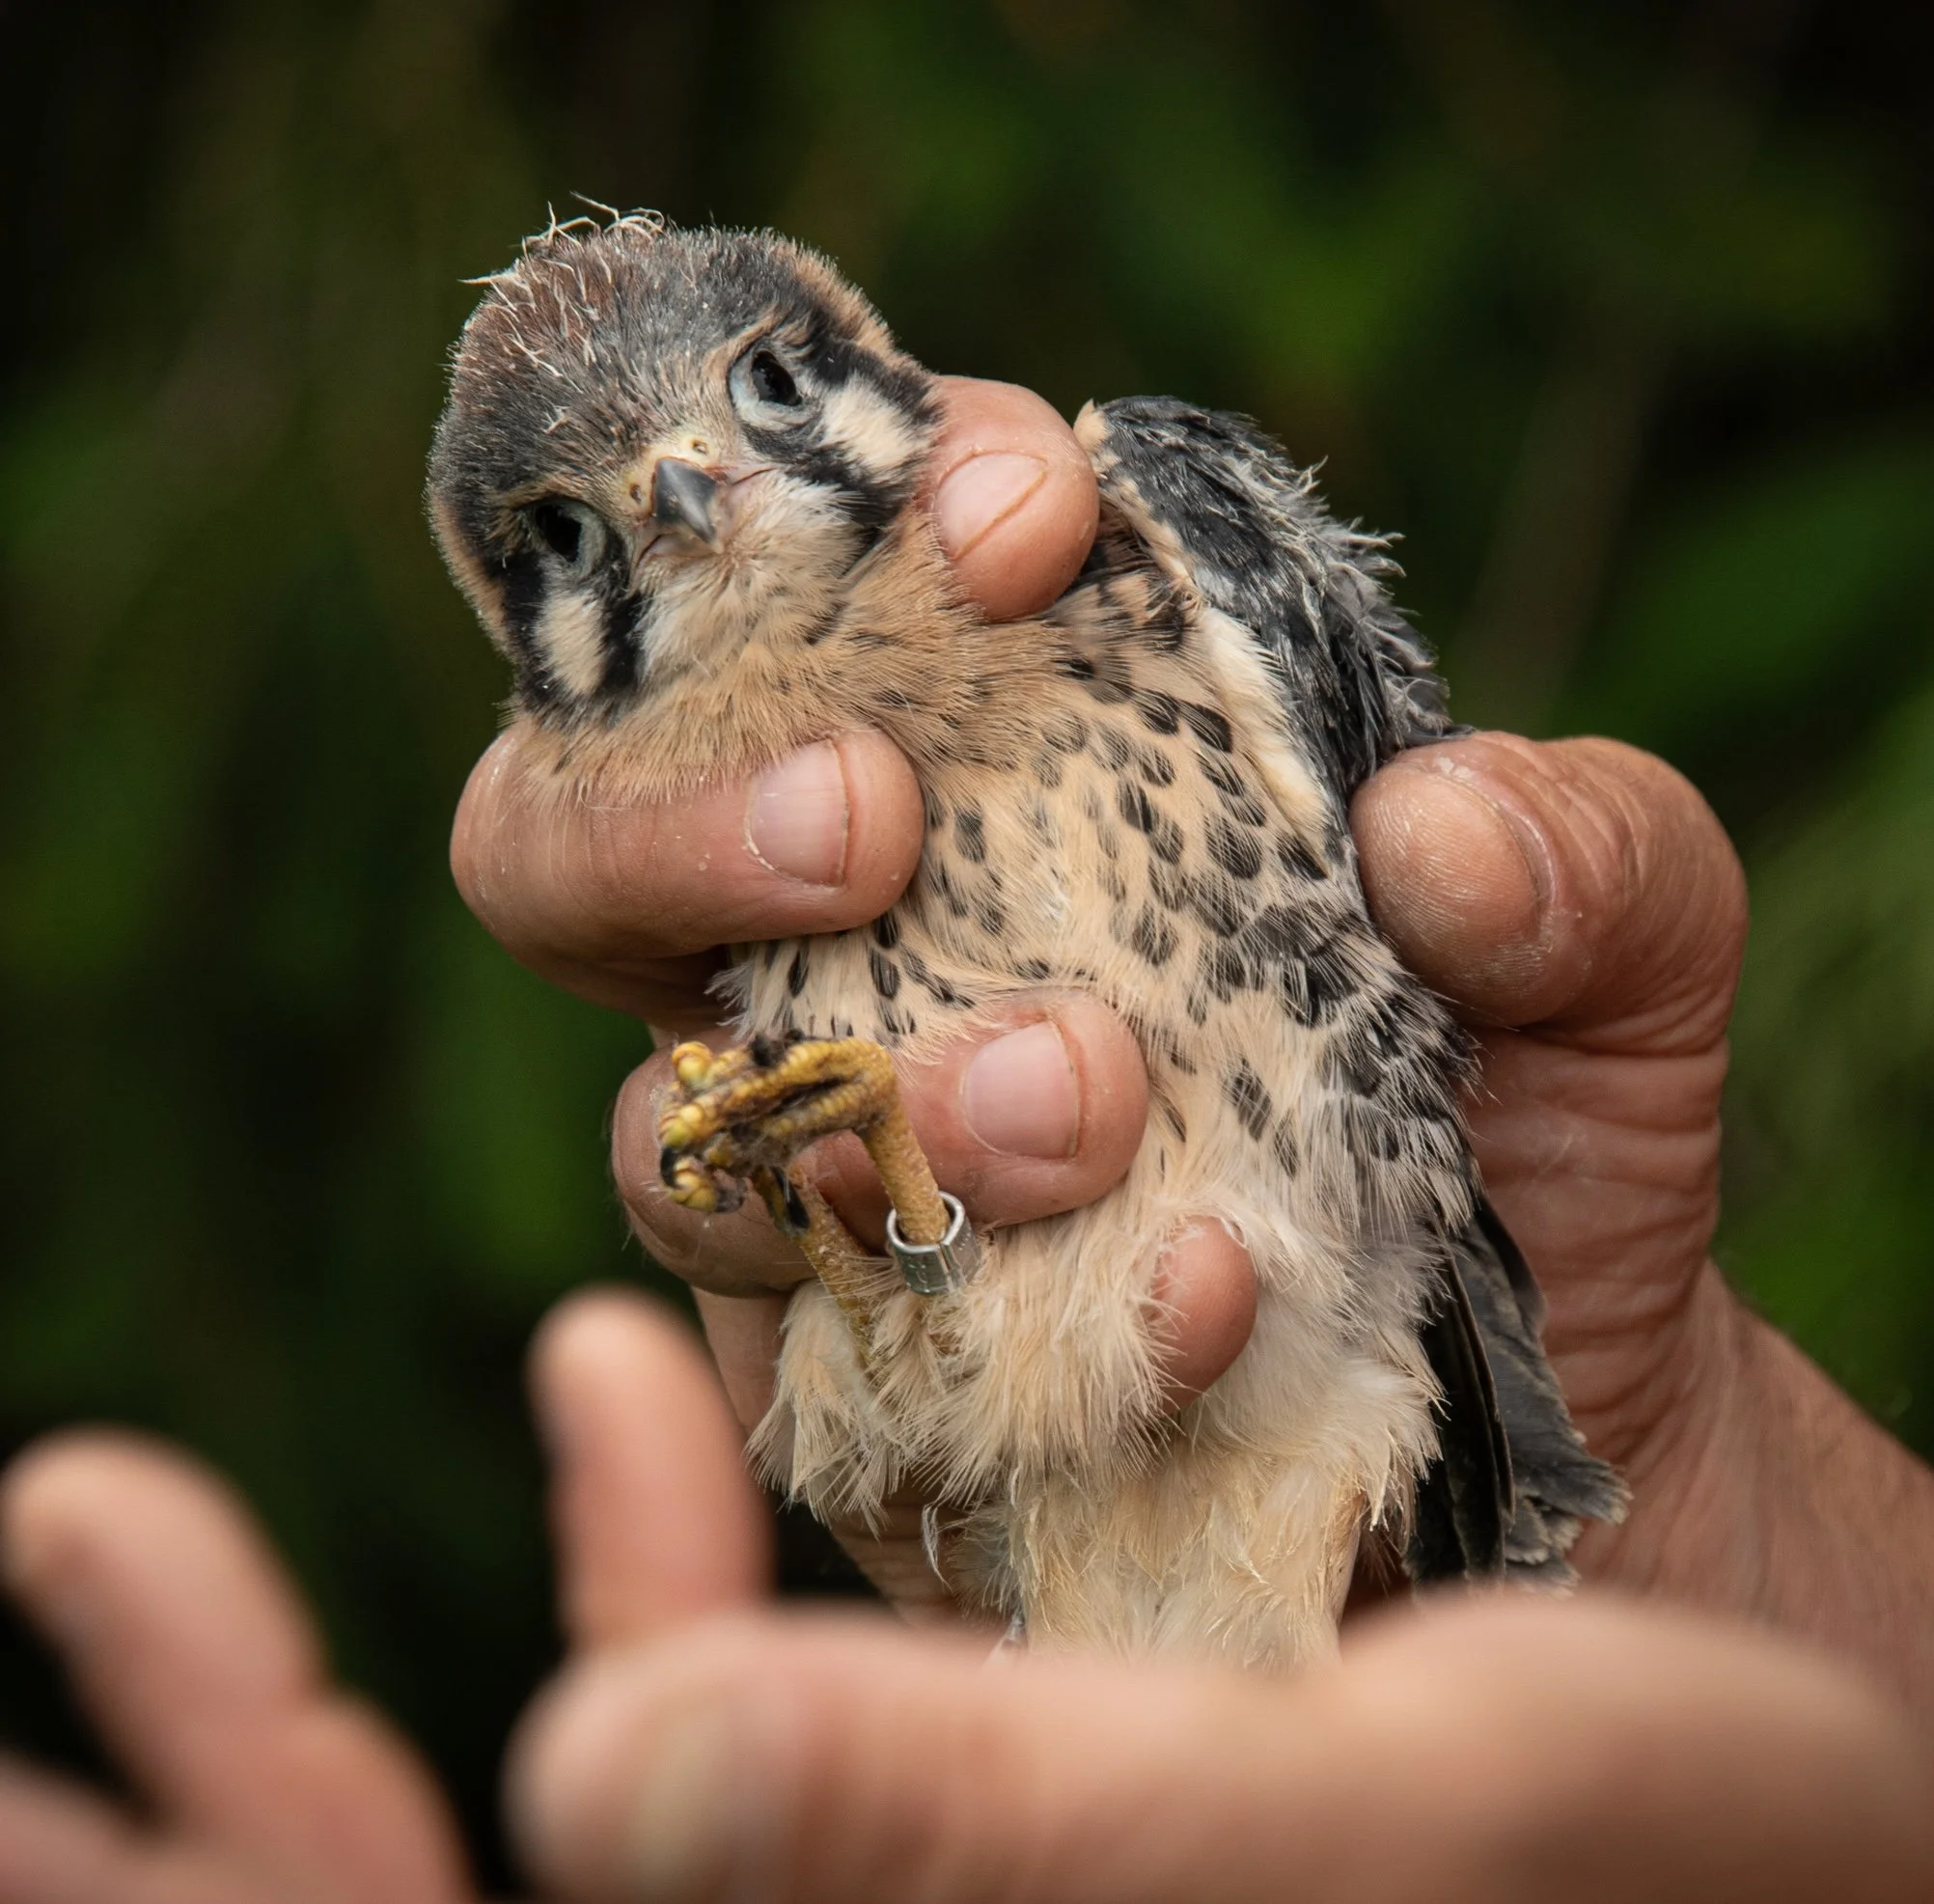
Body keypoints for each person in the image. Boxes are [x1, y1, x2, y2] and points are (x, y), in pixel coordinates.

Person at [2, 381, 1929, 1902]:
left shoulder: (1126, 529)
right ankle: (908, 1253)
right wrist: (865, 1211)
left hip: (1329, 1401)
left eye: (760, 391)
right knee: (891, 1232)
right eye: (584, 525)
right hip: (1072, 1515)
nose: (691, 490)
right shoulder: (743, 811)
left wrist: (1633, 1496)